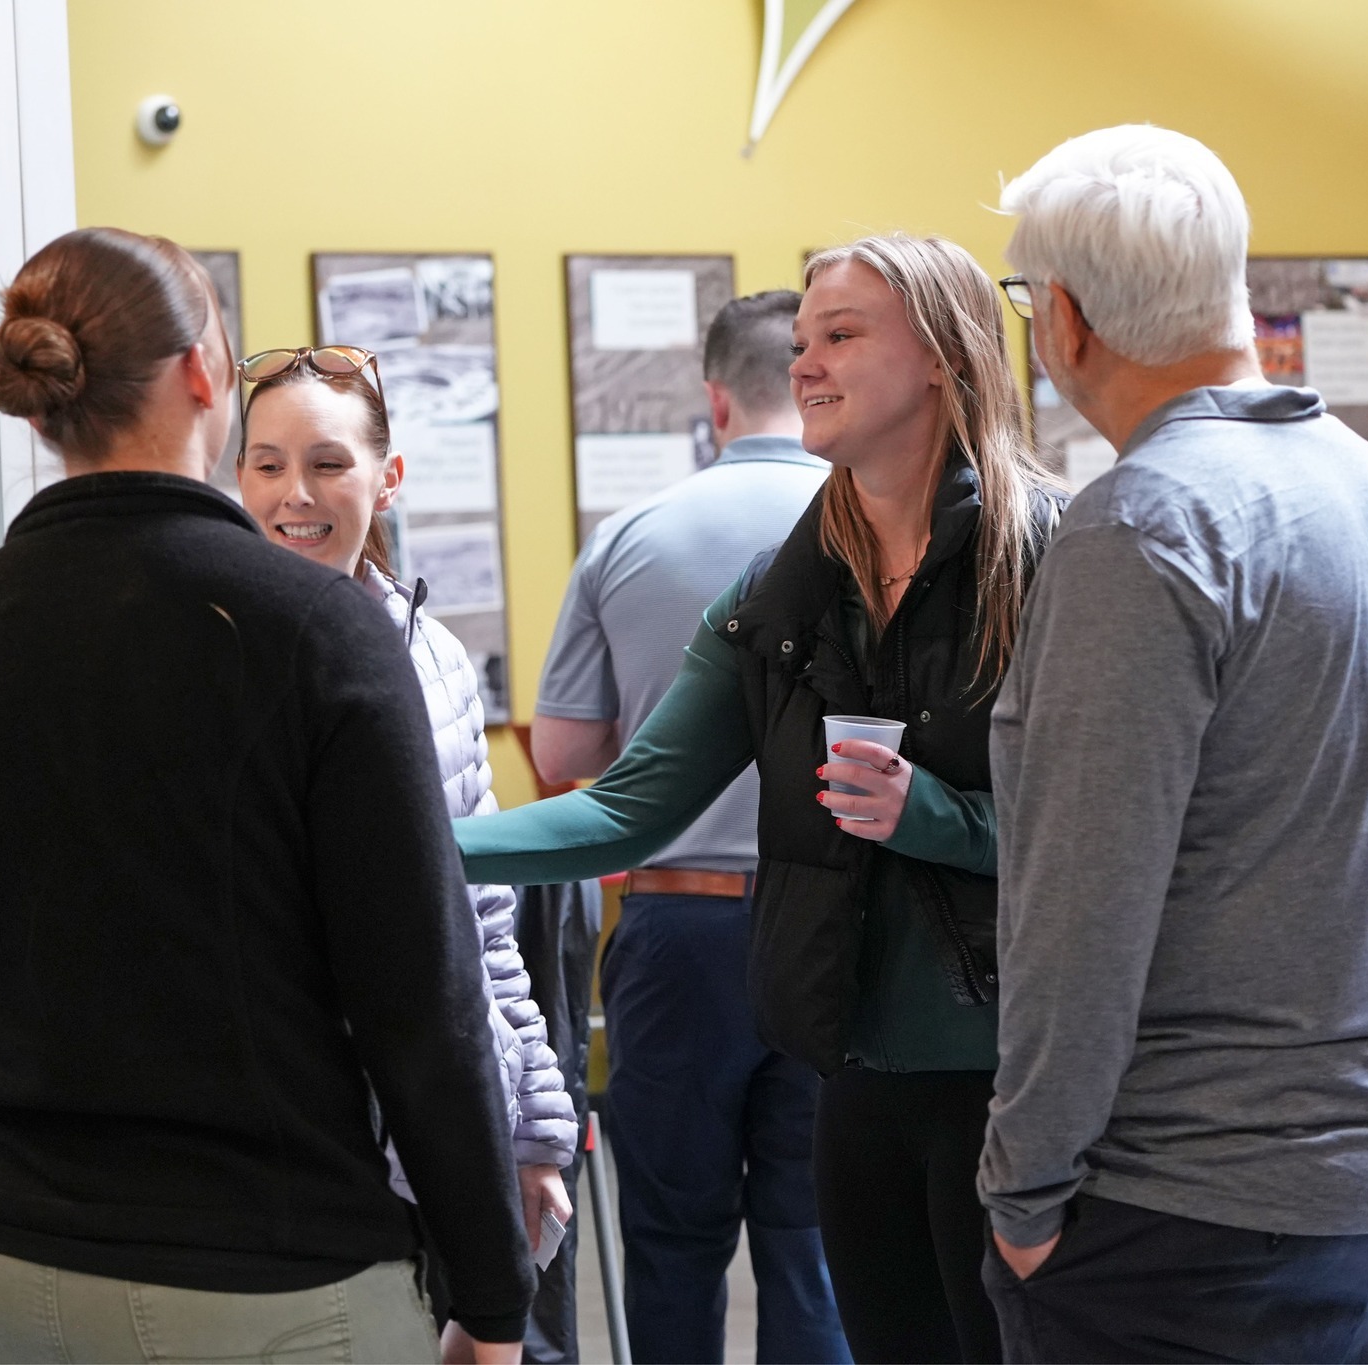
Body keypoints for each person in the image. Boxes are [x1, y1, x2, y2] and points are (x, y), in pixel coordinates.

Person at [0, 228, 533, 1365]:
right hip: (269, 1274)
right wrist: (494, 1298)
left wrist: (1, 1195)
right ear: (204, 376)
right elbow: (421, 1002)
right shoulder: (319, 635)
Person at [457, 235, 1065, 1363]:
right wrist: (404, 843)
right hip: (854, 1073)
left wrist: (927, 815)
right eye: (799, 344)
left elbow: (1111, 840)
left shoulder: (1049, 558)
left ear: (939, 355)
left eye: (840, 336)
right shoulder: (785, 585)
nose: (805, 367)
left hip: (1017, 1081)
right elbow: (623, 809)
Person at [980, 125, 1368, 1364]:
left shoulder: (1140, 531)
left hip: (1191, 1207)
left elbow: (1080, 908)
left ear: (1062, 321)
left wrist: (1024, 1192)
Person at [233, 343, 578, 1362]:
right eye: (265, 463)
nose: (295, 494)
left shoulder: (430, 653)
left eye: (328, 463)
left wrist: (532, 1127)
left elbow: (480, 921)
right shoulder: (220, 648)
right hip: (293, 1156)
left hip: (444, 1134)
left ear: (388, 477)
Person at [528, 290, 845, 1365]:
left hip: (679, 934)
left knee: (669, 1242)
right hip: (841, 929)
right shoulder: (873, 527)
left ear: (713, 399)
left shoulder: (630, 536)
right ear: (810, 384)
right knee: (818, 1247)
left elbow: (564, 765)